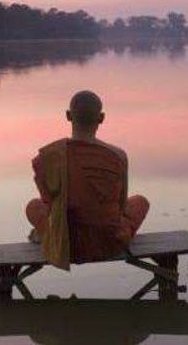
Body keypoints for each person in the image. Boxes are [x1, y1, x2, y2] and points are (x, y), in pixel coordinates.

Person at [25, 90, 149, 270]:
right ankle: (47, 233)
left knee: (33, 207)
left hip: (66, 244)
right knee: (140, 202)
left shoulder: (47, 158)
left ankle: (44, 234)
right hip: (110, 243)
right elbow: (121, 206)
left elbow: (51, 206)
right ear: (101, 118)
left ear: (68, 116)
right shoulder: (118, 156)